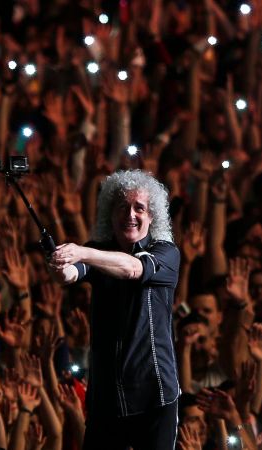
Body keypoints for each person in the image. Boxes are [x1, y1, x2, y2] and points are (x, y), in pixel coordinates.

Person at [50, 169, 181, 450]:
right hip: (106, 397)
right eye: (122, 206)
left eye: (139, 208)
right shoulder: (98, 249)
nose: (130, 214)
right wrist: (62, 267)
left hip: (153, 395)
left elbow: (133, 269)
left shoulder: (166, 253)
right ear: (110, 214)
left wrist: (82, 252)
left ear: (152, 216)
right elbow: (72, 275)